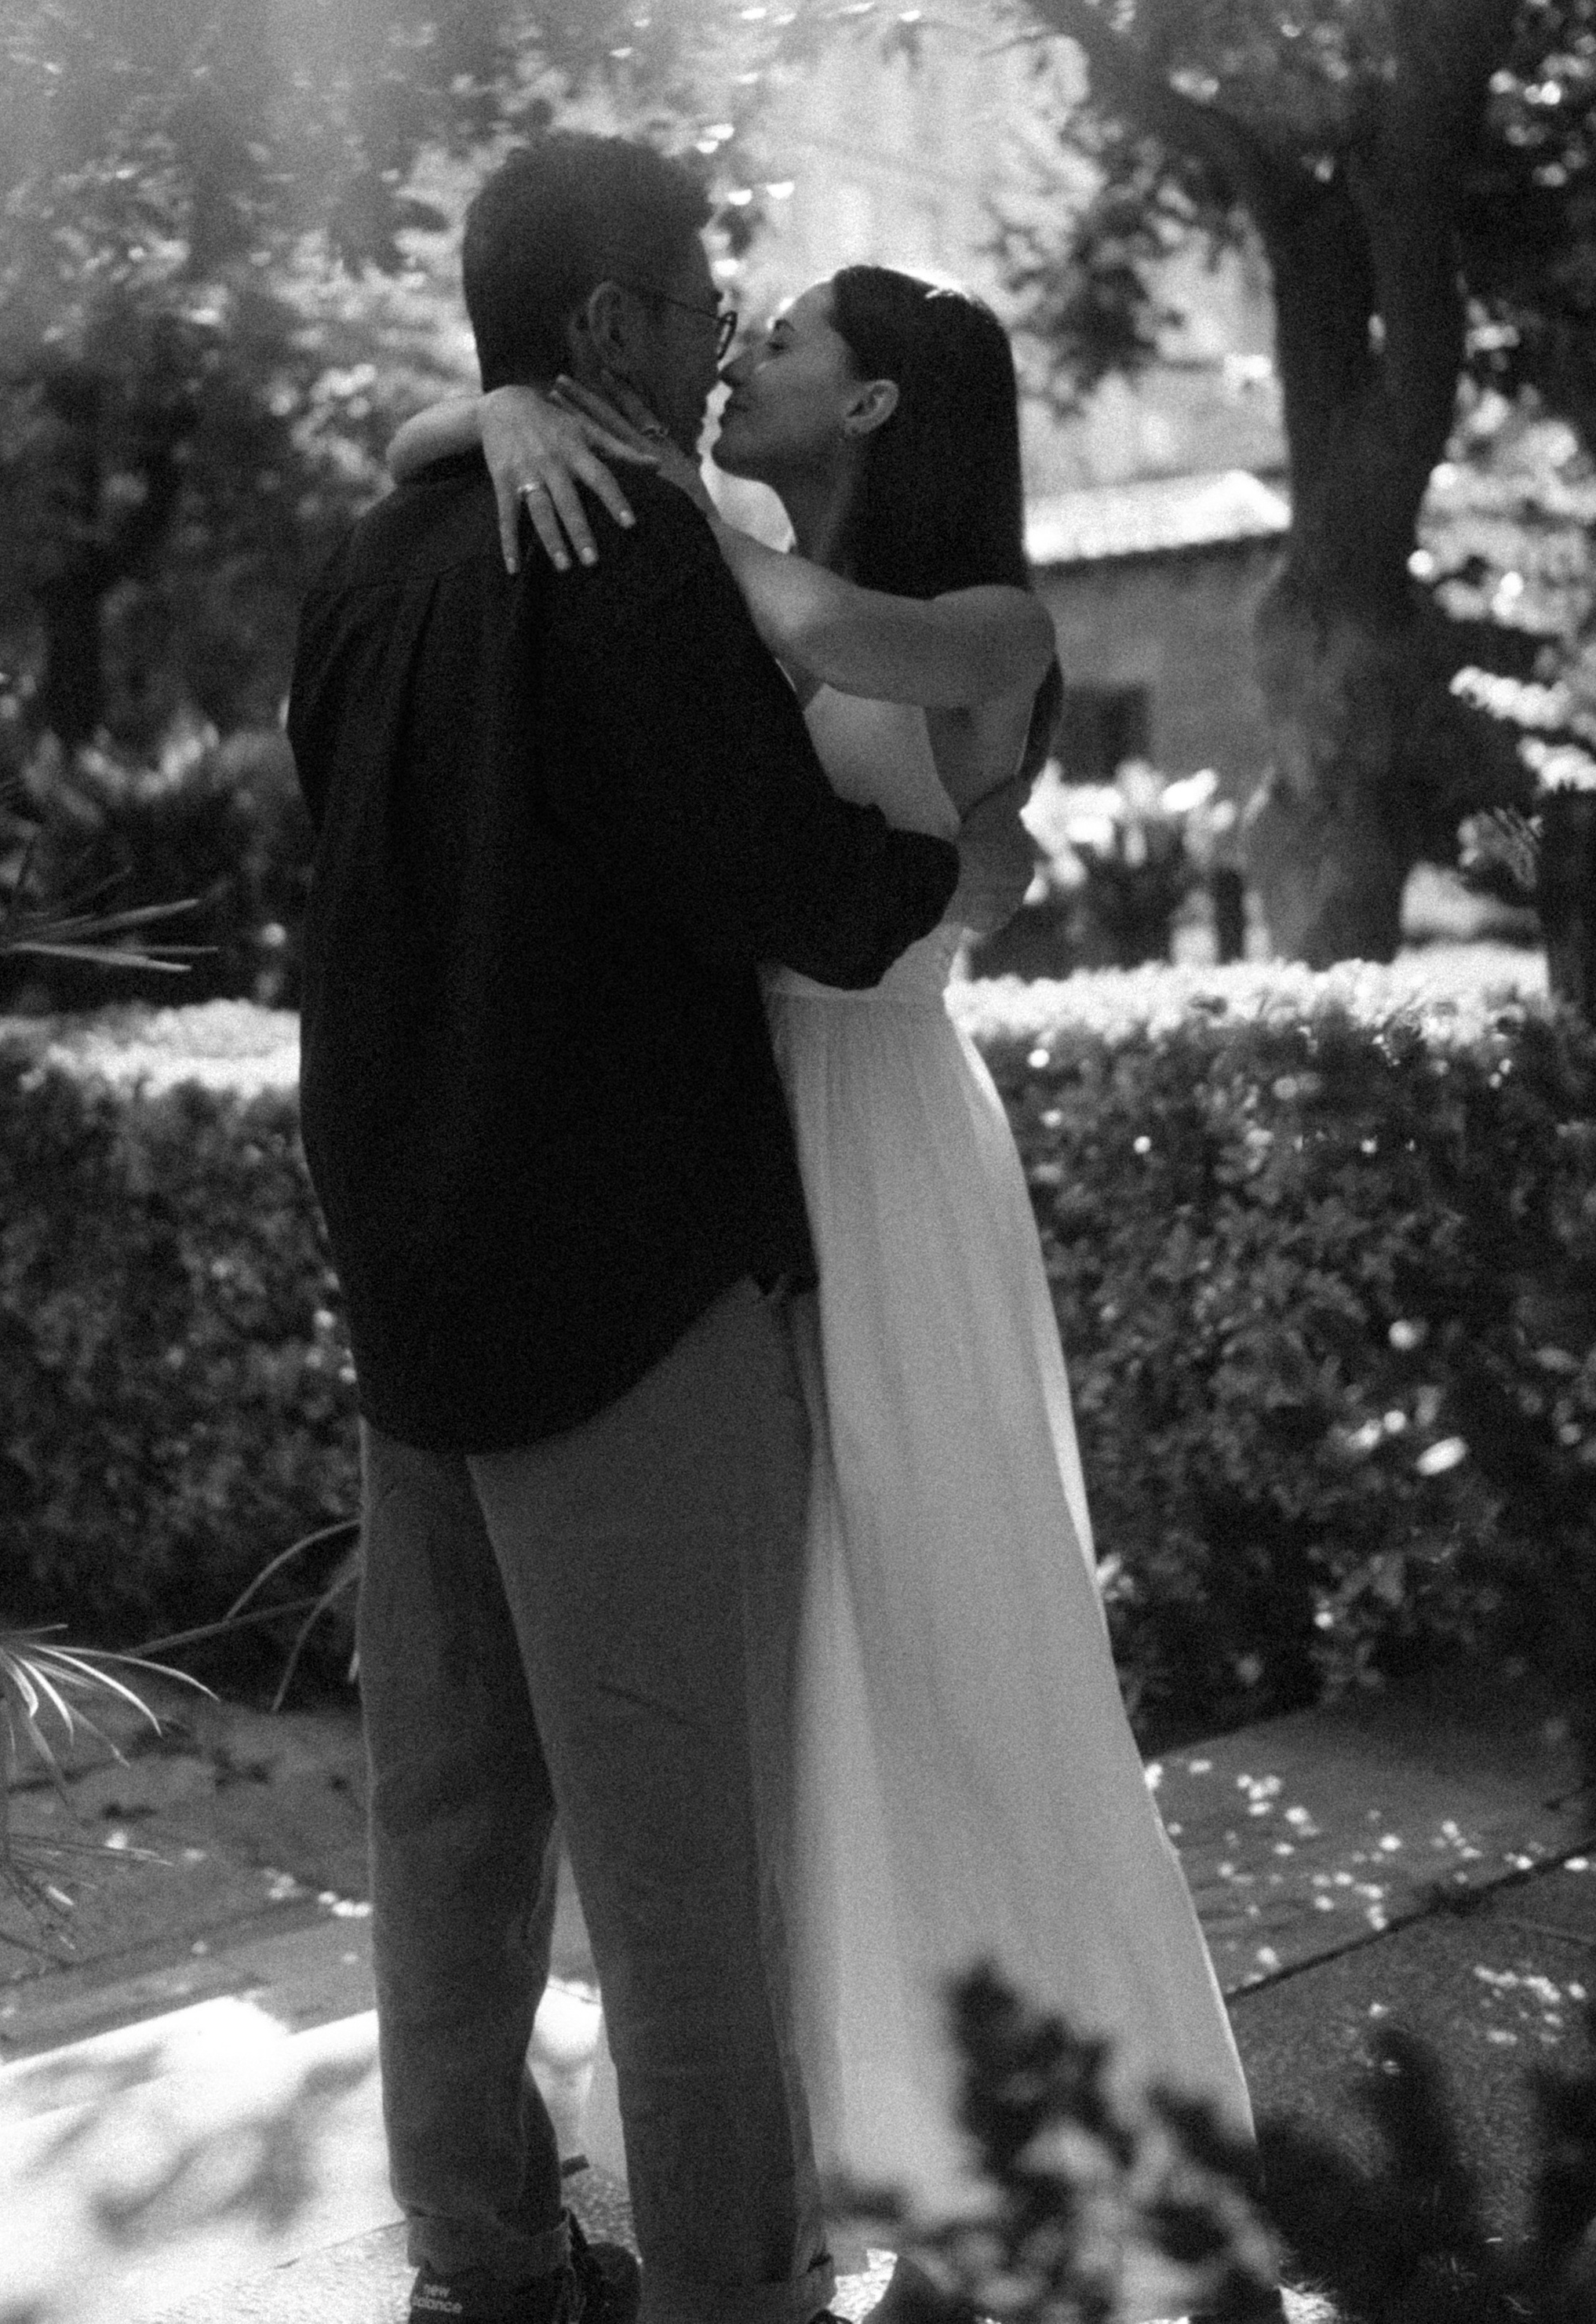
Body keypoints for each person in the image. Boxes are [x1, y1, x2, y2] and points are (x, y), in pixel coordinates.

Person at [392, 266, 1256, 2319]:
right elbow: (445, 476)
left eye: (774, 341)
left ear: (872, 403)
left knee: (955, 1654)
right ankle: (852, 2151)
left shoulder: (981, 626)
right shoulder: (730, 535)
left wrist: (569, 432)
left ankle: (1033, 2165)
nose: (734, 361)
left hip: (885, 1142)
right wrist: (497, 421)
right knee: (790, 1699)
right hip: (732, 1142)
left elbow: (805, 642)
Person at [287, 140, 1040, 2324]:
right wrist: (945, 894)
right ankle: (736, 2289)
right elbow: (785, 876)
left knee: (444, 1835)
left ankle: (489, 2264)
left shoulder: (364, 563)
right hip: (628, 1302)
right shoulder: (629, 555)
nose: (726, 328)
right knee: (688, 1867)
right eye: (704, 292)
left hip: (410, 1292)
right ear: (609, 328)